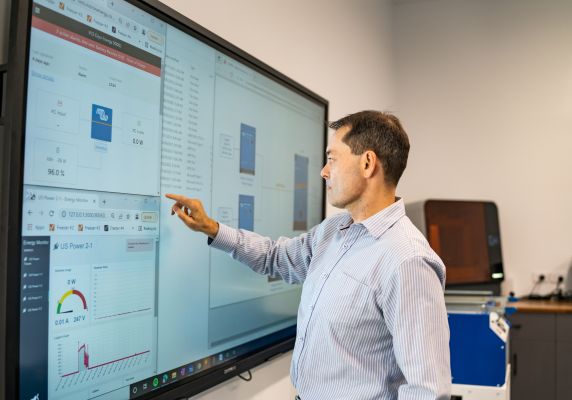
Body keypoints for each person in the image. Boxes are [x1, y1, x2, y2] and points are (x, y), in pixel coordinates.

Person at [166, 110, 451, 400]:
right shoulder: (333, 231)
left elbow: (426, 390)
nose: (324, 172)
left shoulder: (408, 261)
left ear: (367, 163)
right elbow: (275, 257)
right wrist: (211, 228)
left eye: (332, 159)